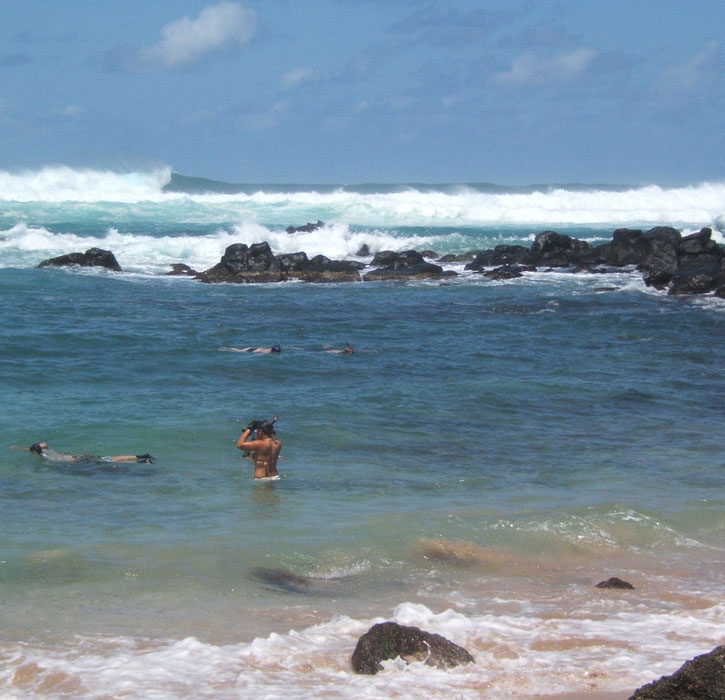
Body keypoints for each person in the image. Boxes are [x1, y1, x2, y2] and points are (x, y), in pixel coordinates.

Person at [27, 442, 155, 463]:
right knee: (111, 458)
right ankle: (143, 457)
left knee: (113, 460)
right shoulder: (46, 450)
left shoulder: (44, 456)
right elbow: (43, 444)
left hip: (79, 460)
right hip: (80, 457)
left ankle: (144, 461)